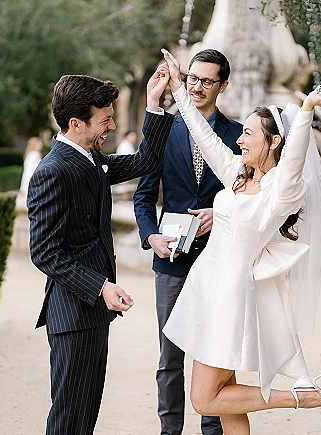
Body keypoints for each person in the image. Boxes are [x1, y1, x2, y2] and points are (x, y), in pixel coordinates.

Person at [160, 49, 321, 434]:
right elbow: (204, 135)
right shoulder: (239, 177)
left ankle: (302, 397)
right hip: (206, 286)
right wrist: (178, 88)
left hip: (229, 295)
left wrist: (308, 106)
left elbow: (293, 159)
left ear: (273, 141)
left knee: (204, 399)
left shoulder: (281, 190)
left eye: (248, 133)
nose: (239, 138)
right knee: (223, 396)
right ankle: (302, 396)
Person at [27, 66, 174, 435]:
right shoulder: (53, 171)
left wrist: (154, 103)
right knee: (69, 421)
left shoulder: (90, 158)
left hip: (90, 314)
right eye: (105, 120)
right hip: (73, 314)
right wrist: (101, 286)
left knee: (84, 417)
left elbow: (146, 162)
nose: (111, 126)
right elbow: (44, 252)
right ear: (76, 123)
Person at [133, 49, 243, 435]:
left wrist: (222, 212)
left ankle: (211, 430)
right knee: (169, 359)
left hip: (220, 260)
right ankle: (170, 431)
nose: (195, 87)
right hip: (172, 262)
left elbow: (251, 193)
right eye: (192, 78)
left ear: (223, 86)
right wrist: (151, 236)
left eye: (206, 81)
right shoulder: (165, 131)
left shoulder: (239, 136)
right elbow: (144, 195)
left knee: (213, 353)